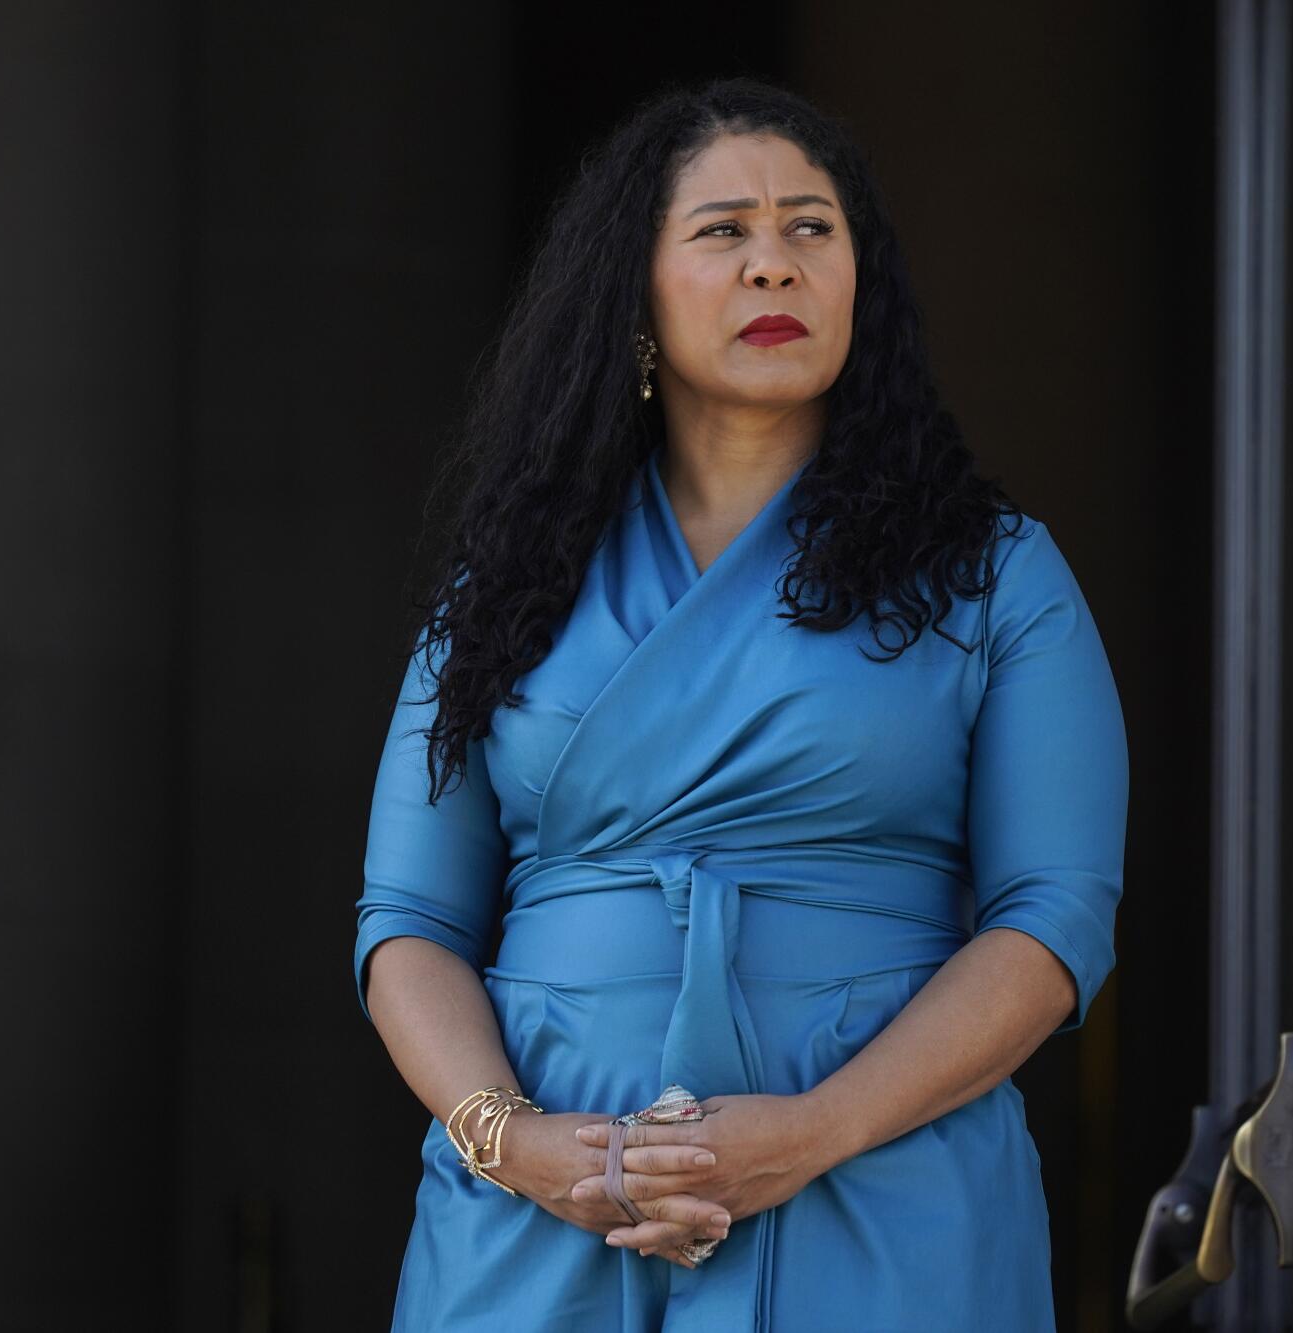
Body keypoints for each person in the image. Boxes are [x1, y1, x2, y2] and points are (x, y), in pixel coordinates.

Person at [352, 74, 1129, 1332]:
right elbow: (406, 923)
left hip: (883, 1183)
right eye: (723, 231)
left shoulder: (994, 573)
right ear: (636, 295)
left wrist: (812, 1133)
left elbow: (1053, 922)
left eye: (810, 228)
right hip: (540, 1210)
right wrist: (517, 1144)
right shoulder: (502, 585)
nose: (774, 264)